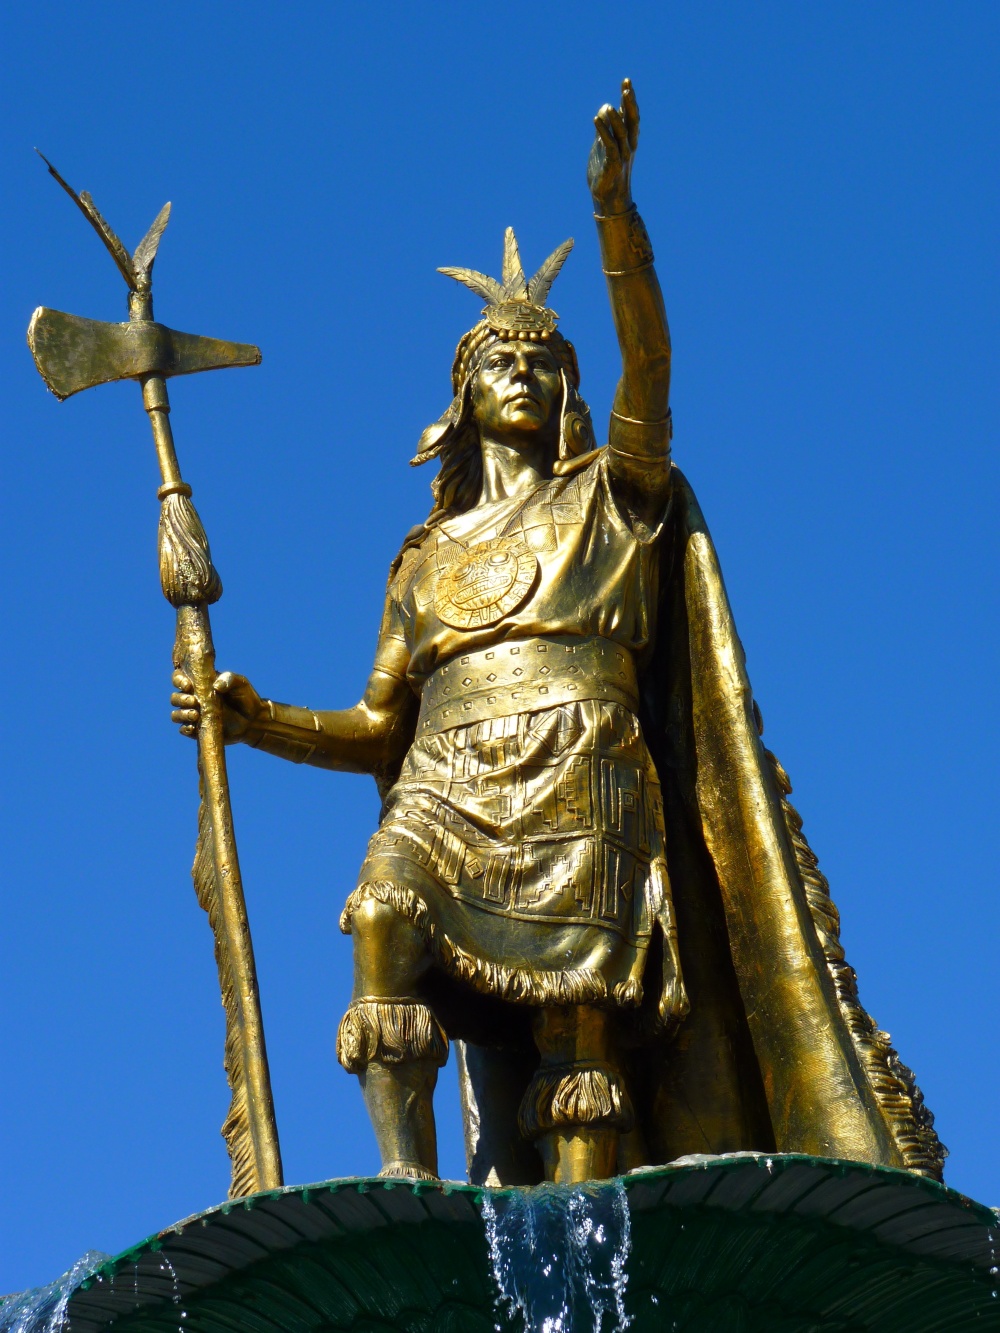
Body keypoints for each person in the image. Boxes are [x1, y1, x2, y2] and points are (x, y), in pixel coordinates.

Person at [173, 81, 945, 1188]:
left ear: (570, 389)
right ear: (466, 398)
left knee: (575, 1035)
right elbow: (375, 724)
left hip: (587, 775)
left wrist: (614, 218)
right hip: (446, 778)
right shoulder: (423, 558)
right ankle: (406, 1190)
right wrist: (254, 720)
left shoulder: (616, 497)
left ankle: (590, 1234)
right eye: (501, 360)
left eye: (545, 360)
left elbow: (654, 369)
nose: (524, 371)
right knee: (384, 915)